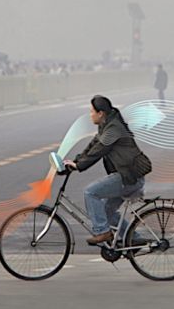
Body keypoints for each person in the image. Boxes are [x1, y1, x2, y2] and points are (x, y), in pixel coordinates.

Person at [64, 95, 153, 245]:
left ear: (101, 113)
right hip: (127, 176)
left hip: (128, 177)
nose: (90, 114)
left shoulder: (114, 128)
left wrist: (79, 166)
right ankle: (133, 239)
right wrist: (75, 161)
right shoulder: (107, 125)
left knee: (91, 192)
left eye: (92, 111)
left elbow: (99, 150)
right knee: (106, 212)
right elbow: (93, 146)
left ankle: (102, 232)